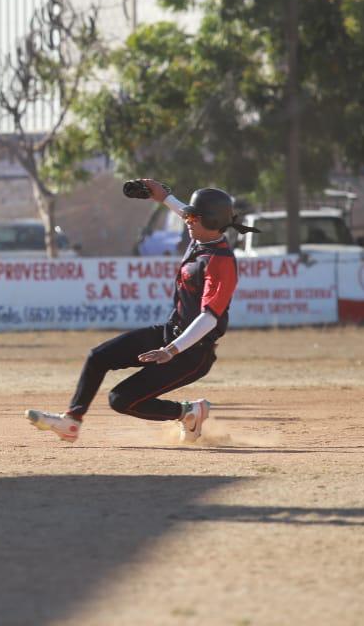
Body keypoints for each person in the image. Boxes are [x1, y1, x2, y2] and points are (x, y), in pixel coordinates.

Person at [26, 179, 254, 444]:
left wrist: (171, 351)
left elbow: (209, 318)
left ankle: (188, 413)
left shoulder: (220, 262)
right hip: (170, 333)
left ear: (213, 221)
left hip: (192, 353)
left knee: (120, 400)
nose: (187, 219)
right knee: (98, 357)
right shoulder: (202, 236)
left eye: (194, 216)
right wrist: (164, 196)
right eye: (189, 214)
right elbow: (186, 212)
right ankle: (71, 422)